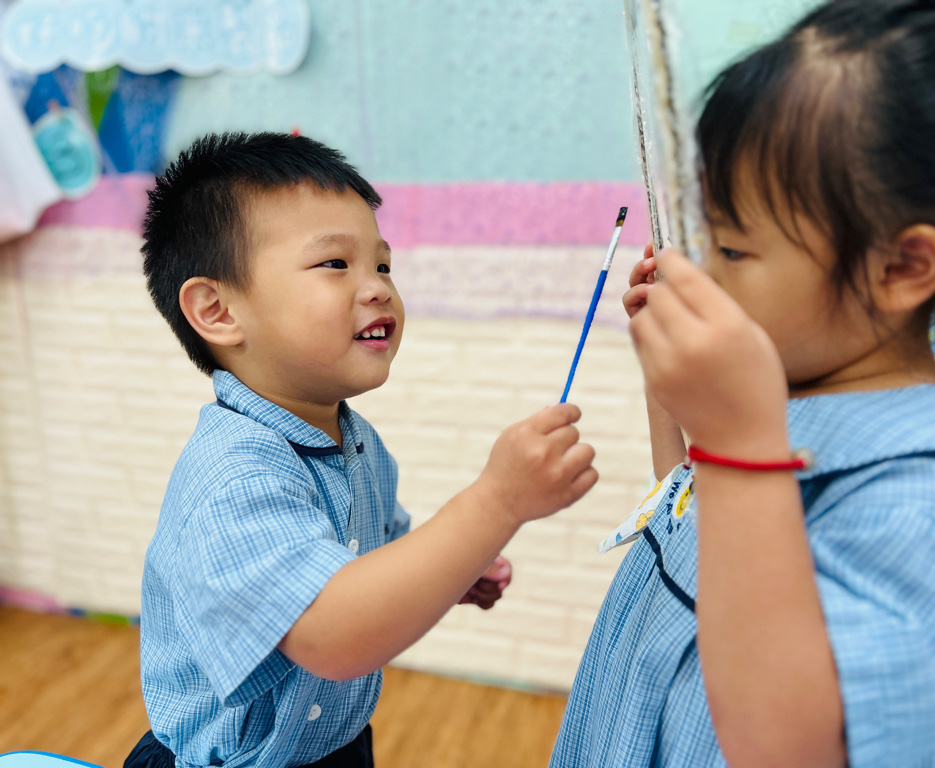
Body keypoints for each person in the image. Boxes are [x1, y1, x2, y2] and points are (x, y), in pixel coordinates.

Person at [550, 1, 935, 766]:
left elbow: (794, 746)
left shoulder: (918, 496)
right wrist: (676, 397)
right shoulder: (797, 397)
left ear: (901, 268)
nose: (702, 270)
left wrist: (739, 441)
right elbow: (695, 518)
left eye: (732, 249)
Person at [125, 132, 598, 768]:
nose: (377, 288)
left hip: (335, 747)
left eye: (382, 265)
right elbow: (335, 634)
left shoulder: (356, 443)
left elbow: (374, 561)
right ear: (218, 311)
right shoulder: (234, 478)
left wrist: (450, 568)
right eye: (334, 264)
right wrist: (495, 503)